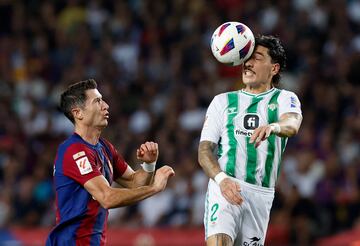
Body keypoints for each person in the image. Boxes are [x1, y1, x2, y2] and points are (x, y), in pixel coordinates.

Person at [198, 35, 303, 246]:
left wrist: (273, 127)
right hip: (226, 185)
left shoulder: (284, 98)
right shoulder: (222, 101)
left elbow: (292, 123)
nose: (248, 63)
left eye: (256, 58)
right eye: (246, 58)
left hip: (261, 195)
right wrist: (221, 180)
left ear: (274, 68)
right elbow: (205, 151)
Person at [46, 79, 175, 245]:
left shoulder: (105, 147)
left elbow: (135, 182)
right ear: (78, 113)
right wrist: (154, 188)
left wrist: (149, 165)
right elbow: (107, 197)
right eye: (97, 101)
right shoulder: (74, 150)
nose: (106, 105)